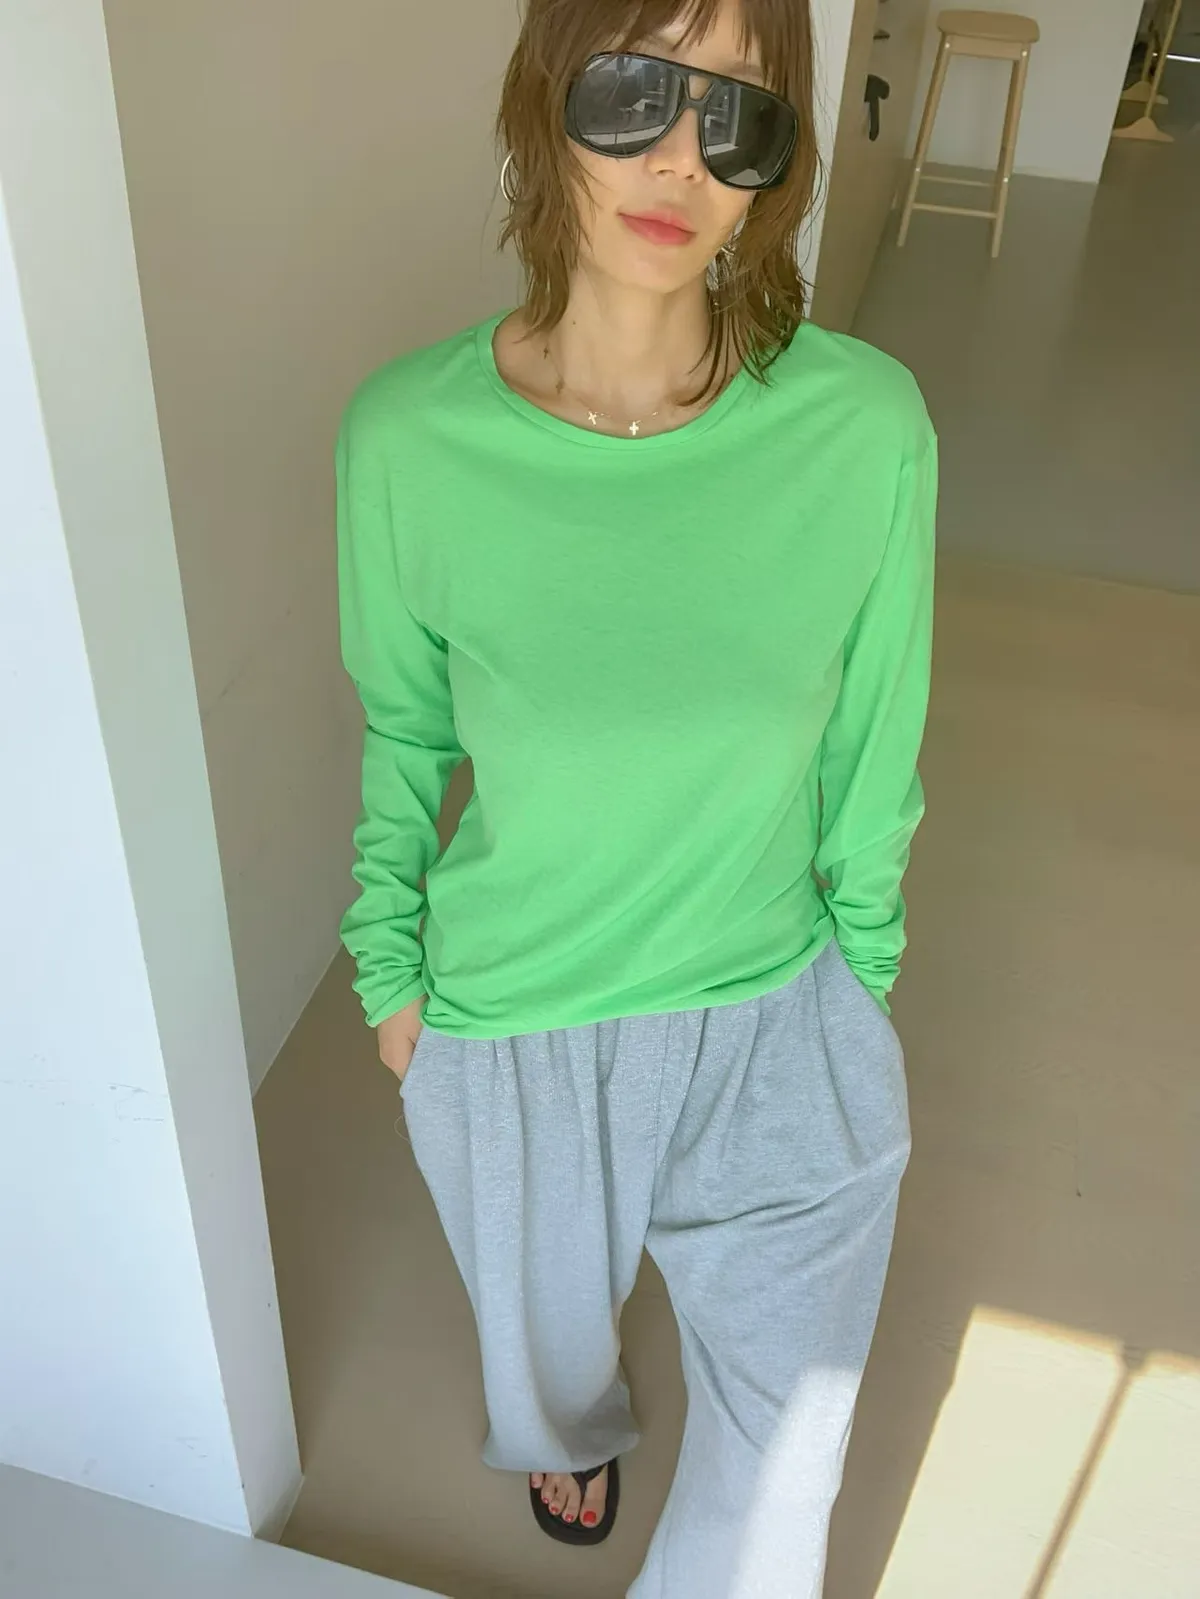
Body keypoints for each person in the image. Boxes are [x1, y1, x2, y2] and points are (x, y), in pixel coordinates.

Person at [336, 0, 935, 1592]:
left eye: (738, 114)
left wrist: (858, 983)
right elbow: (405, 729)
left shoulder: (865, 429)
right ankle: (566, 1425)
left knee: (780, 1478)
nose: (682, 158)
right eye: (634, 92)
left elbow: (879, 737)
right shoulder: (408, 438)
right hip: (517, 1015)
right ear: (546, 103)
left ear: (773, 165)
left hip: (777, 1010)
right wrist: (392, 977)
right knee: (545, 1362)